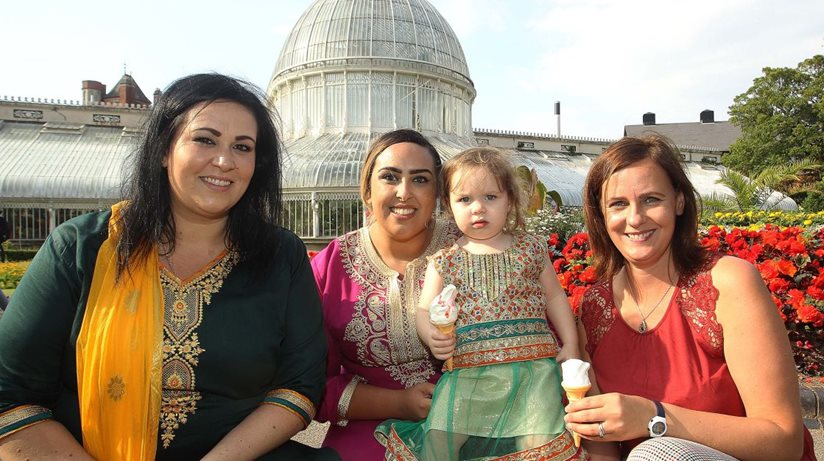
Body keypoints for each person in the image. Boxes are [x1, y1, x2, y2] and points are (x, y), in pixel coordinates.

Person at [0, 73, 338, 461]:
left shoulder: (282, 255)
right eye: (205, 139)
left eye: (242, 147)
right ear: (164, 149)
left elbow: (299, 386)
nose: (225, 161)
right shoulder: (81, 249)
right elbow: (11, 395)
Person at [565, 135, 816, 461]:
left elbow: (783, 442)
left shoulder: (727, 283)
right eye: (618, 204)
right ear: (600, 214)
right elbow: (602, 447)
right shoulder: (594, 307)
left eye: (652, 199)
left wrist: (653, 417)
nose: (635, 218)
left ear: (679, 202)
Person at [380, 147, 586, 460]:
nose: (478, 209)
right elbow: (423, 309)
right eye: (465, 199)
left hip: (533, 373)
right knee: (439, 438)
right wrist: (430, 334)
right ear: (448, 206)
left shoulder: (530, 248)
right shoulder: (443, 261)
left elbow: (555, 296)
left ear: (510, 201)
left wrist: (570, 344)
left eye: (490, 197)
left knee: (538, 443)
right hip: (468, 374)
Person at [310, 129, 461, 460]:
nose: (404, 193)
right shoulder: (331, 266)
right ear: (367, 190)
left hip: (469, 425)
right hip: (365, 429)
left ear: (437, 193)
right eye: (389, 177)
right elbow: (308, 382)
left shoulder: (471, 251)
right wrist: (398, 403)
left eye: (420, 180)